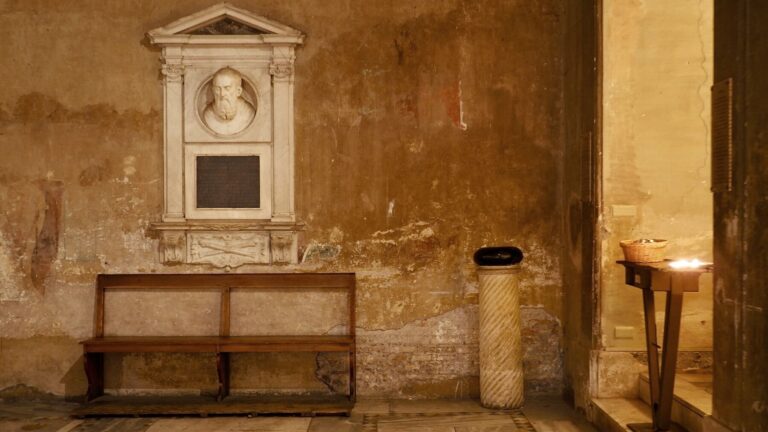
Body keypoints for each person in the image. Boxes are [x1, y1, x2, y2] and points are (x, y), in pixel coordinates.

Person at [203, 67, 256, 136]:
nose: (222, 94)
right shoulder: (208, 114)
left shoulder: (248, 112)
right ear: (213, 91)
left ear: (238, 91)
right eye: (217, 89)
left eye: (227, 88)